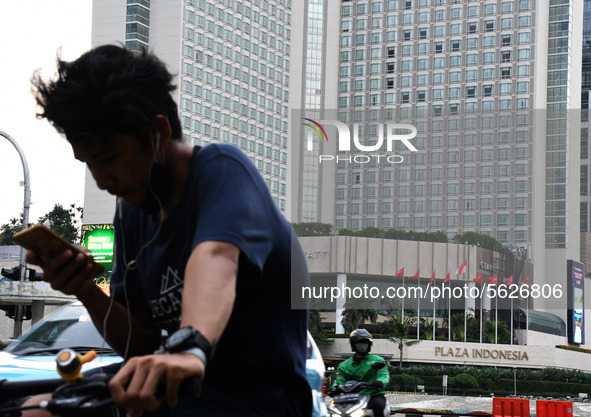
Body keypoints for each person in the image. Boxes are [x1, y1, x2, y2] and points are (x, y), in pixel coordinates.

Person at [26, 44, 312, 416]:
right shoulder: (132, 215)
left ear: (159, 132)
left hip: (257, 398)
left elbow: (216, 256)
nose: (101, 180)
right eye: (89, 163)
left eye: (108, 158)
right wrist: (85, 289)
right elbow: (139, 343)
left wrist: (190, 346)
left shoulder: (222, 171)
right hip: (176, 393)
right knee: (35, 410)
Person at [330, 329, 389, 416]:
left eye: (365, 343)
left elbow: (384, 376)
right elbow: (339, 381)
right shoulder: (344, 365)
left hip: (373, 394)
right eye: (359, 343)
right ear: (353, 345)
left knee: (379, 406)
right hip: (350, 397)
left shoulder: (378, 361)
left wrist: (379, 382)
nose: (362, 345)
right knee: (333, 409)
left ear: (369, 345)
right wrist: (333, 389)